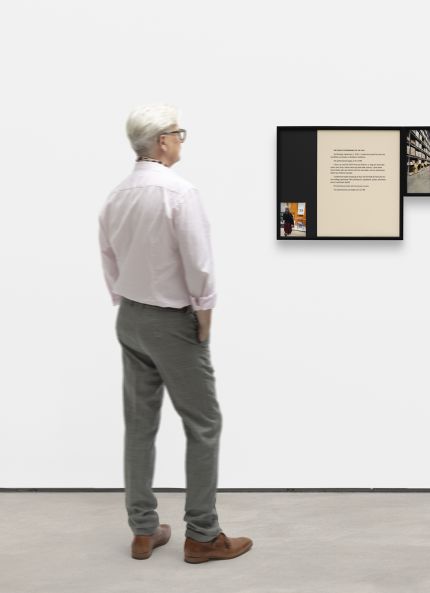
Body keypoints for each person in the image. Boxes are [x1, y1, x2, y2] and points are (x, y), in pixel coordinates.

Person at [98, 104, 252, 563]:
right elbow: (198, 263)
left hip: (130, 319)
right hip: (172, 320)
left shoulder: (116, 196)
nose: (181, 140)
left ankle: (143, 530)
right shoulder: (179, 193)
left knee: (139, 425)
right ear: (163, 140)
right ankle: (203, 534)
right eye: (178, 133)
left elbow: (108, 257)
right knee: (204, 423)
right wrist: (204, 314)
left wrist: (125, 300)